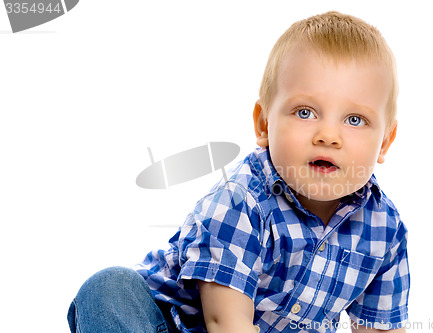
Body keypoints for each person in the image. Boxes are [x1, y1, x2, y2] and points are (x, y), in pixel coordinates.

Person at [68, 11, 410, 333]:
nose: (328, 136)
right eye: (305, 112)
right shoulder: (243, 199)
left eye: (355, 120)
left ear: (384, 142)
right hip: (172, 322)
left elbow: (379, 328)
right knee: (108, 288)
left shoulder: (385, 230)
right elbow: (225, 322)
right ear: (263, 124)